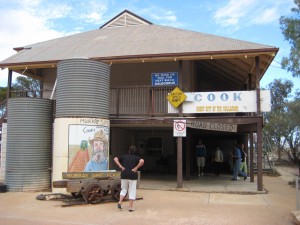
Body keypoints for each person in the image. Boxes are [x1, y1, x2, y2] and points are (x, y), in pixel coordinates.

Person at [114, 145, 144, 212]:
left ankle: (120, 202)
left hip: (124, 174)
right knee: (132, 190)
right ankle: (130, 207)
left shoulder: (124, 156)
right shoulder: (137, 157)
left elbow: (115, 159)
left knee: (124, 189)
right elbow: (142, 161)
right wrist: (136, 168)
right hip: (132, 175)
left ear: (129, 151)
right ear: (135, 151)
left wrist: (120, 166)